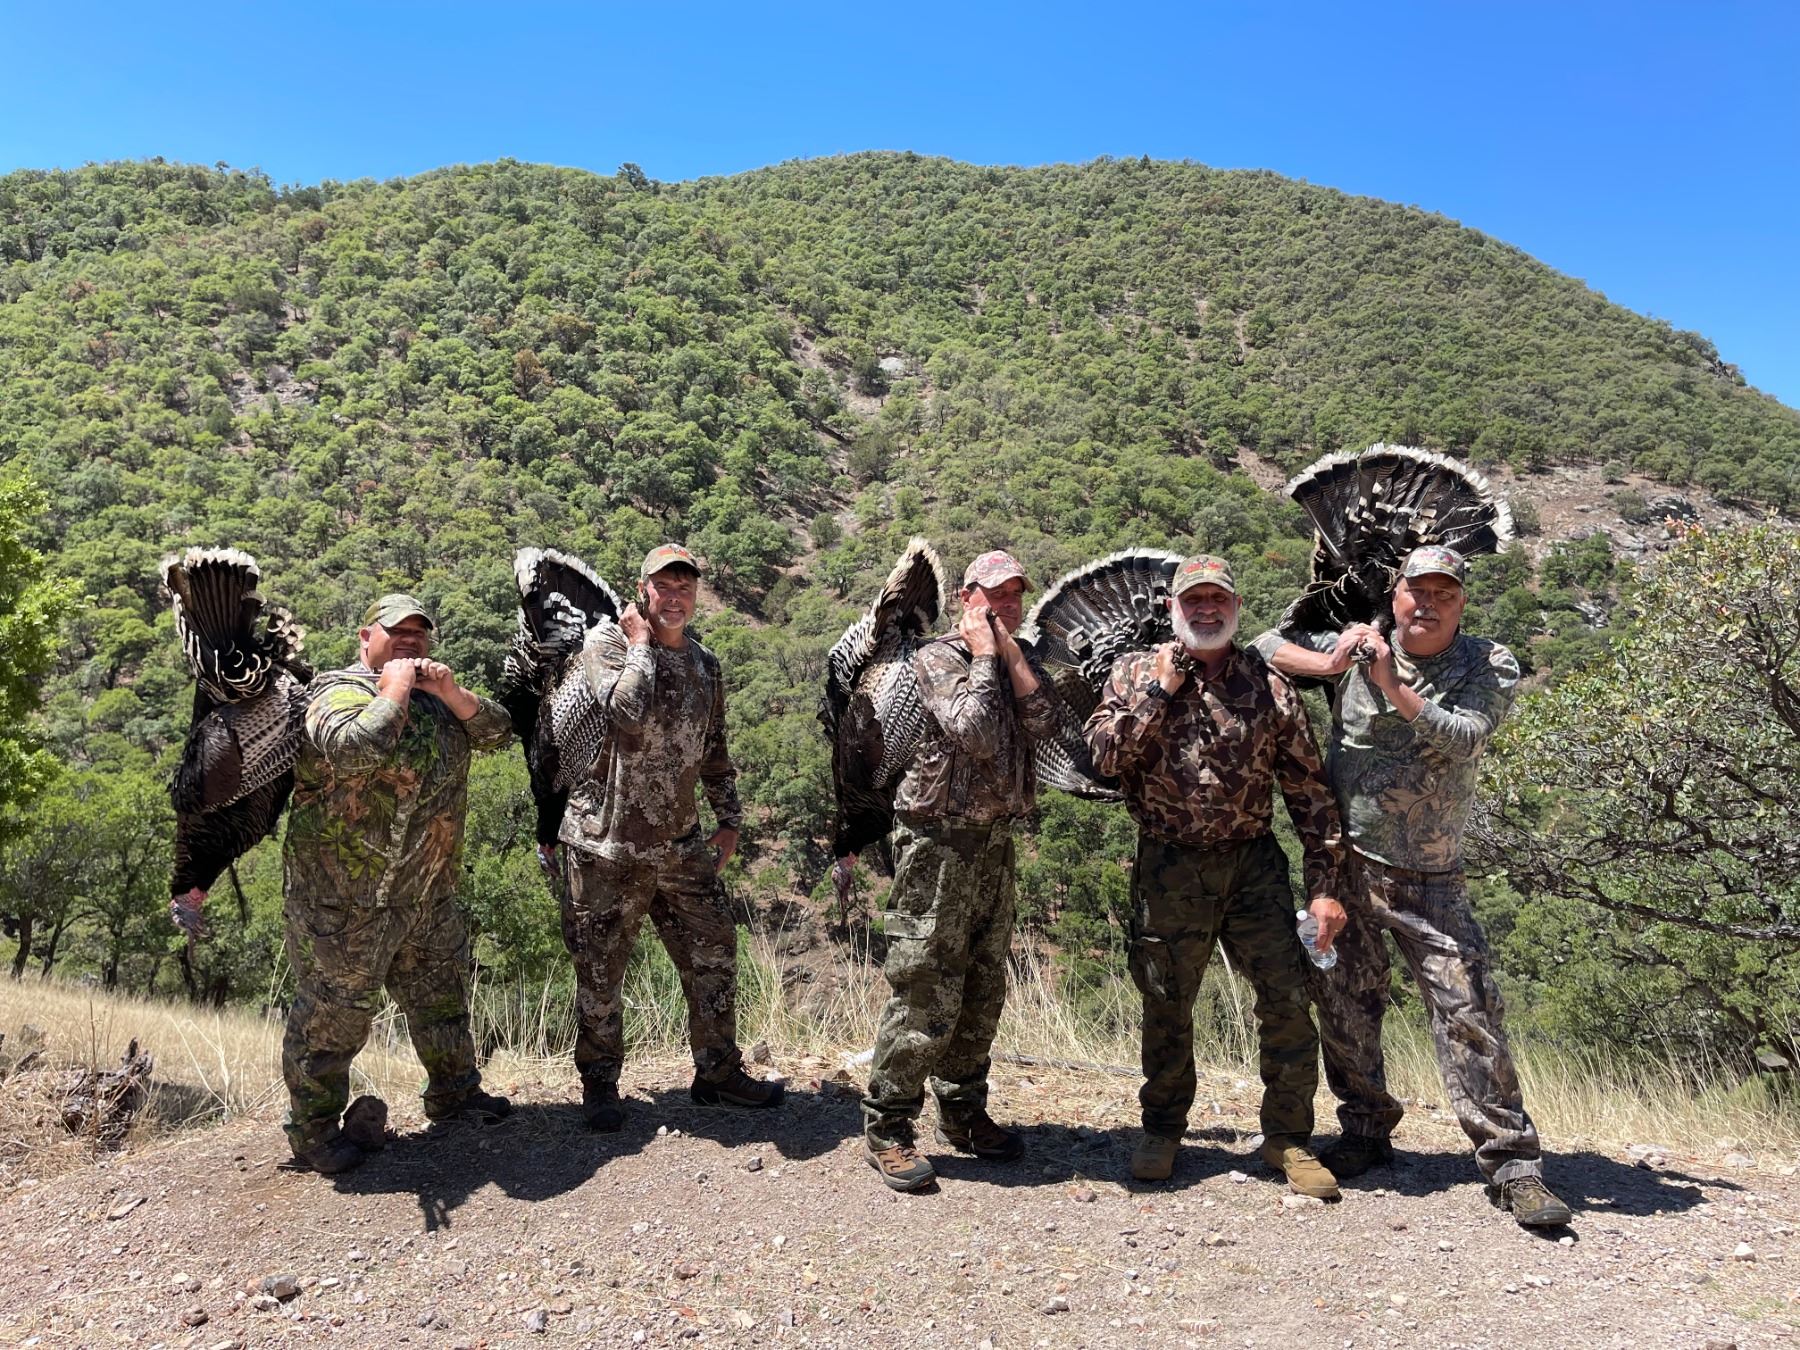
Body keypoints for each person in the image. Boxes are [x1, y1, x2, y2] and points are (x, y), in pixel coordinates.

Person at [1254, 544, 1572, 1227]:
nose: (1428, 604)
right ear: (1395, 597)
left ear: (1461, 603)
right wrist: (1332, 664)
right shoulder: (1360, 647)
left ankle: (1512, 1165)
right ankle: (1366, 1130)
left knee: (1469, 1013)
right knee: (1344, 1005)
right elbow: (1264, 647)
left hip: (1432, 880)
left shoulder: (1488, 663)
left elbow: (1465, 737)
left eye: (1444, 594)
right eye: (1416, 592)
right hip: (1345, 872)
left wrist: (1392, 683)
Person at [1086, 555, 1347, 1196]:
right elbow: (1105, 758)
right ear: (1172, 608)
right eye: (1194, 600)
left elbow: (1310, 793)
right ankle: (1162, 1130)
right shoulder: (1132, 673)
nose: (1206, 610)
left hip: (1252, 864)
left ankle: (1288, 1138)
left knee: (1287, 1000)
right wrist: (1162, 689)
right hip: (1168, 866)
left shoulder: (1271, 686)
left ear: (1235, 608)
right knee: (1166, 1002)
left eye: (1217, 600)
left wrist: (1324, 888)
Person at [282, 594, 515, 1174]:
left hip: (427, 894)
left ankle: (455, 1095)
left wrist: (451, 693)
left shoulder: (439, 702)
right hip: (344, 904)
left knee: (442, 1002)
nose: (410, 640)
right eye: (396, 631)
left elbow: (499, 732)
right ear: (367, 638)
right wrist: (395, 689)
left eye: (419, 633)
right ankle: (313, 1133)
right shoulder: (336, 693)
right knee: (334, 1018)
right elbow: (353, 748)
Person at [556, 544, 781, 1131]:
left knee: (715, 949)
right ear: (643, 590)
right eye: (664, 586)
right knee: (601, 969)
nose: (675, 597)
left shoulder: (706, 665)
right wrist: (640, 645)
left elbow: (715, 751)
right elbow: (626, 712)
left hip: (679, 845)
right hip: (606, 845)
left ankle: (717, 1074)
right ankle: (600, 1086)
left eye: (685, 587)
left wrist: (729, 820)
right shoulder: (608, 645)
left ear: (697, 593)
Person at [862, 550, 1061, 1192]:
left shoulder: (1015, 659)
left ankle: (963, 1112)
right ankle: (889, 1125)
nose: (1005, 606)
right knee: (925, 983)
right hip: (936, 844)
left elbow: (1047, 723)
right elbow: (972, 730)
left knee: (982, 984)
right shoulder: (938, 659)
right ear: (965, 599)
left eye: (1014, 596)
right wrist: (983, 655)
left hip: (994, 843)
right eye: (993, 595)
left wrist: (1011, 659)